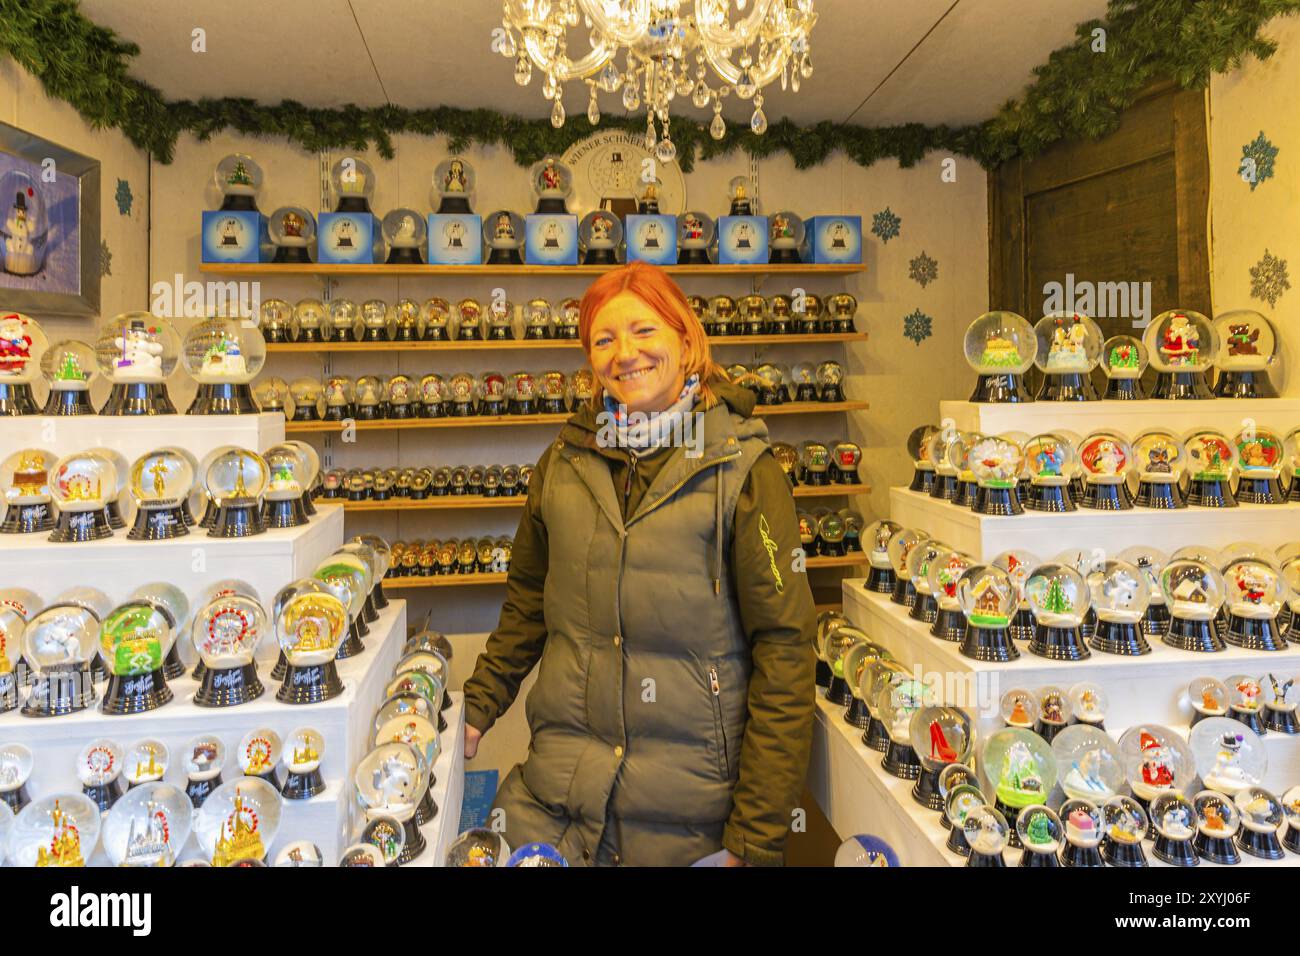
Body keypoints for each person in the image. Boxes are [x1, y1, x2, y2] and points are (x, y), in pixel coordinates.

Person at [462, 260, 816, 866]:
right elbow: (527, 605)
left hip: (692, 825)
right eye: (604, 339)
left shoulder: (744, 472)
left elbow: (784, 653)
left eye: (644, 332)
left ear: (686, 339)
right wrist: (475, 708)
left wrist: (753, 840)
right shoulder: (563, 464)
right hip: (555, 806)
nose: (625, 353)